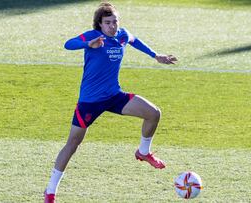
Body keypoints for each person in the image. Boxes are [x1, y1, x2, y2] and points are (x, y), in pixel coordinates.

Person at [44, 2, 177, 202]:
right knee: (72, 144)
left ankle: (143, 152)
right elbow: (68, 44)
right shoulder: (92, 36)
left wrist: (155, 55)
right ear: (100, 24)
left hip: (114, 96)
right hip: (89, 102)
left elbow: (134, 40)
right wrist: (87, 44)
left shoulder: (121, 35)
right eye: (108, 23)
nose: (112, 26)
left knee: (153, 113)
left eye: (115, 21)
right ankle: (50, 191)